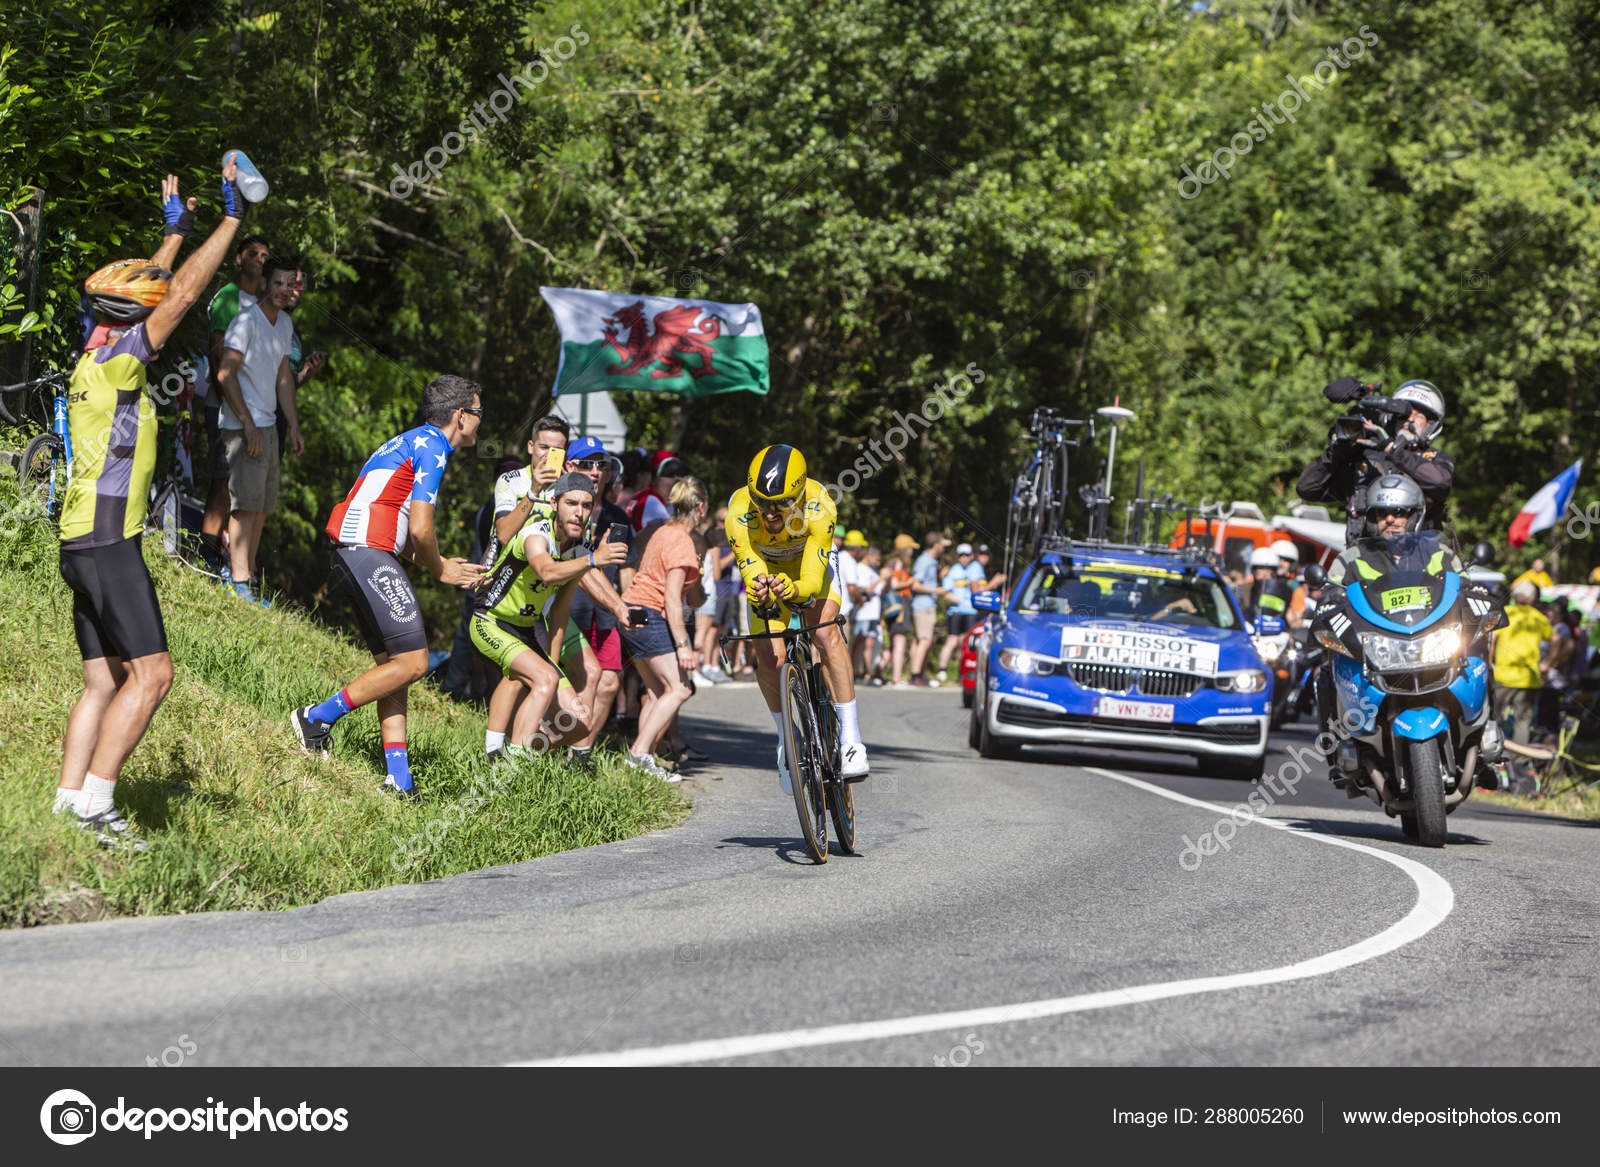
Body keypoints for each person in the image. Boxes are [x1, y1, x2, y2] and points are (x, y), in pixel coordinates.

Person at [53, 162, 249, 850]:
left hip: (79, 541)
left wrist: (171, 233)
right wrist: (228, 223)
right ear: (135, 316)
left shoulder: (92, 352)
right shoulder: (125, 360)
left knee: (104, 678)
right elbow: (185, 293)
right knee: (154, 674)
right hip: (109, 541)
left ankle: (67, 801)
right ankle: (98, 807)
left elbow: (150, 288)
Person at [289, 375, 487, 796]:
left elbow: (394, 522)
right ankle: (316, 717)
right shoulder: (433, 446)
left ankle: (399, 780)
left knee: (395, 670)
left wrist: (436, 561)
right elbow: (420, 526)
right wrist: (440, 570)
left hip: (358, 552)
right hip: (367, 553)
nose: (480, 422)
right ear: (460, 416)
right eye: (478, 413)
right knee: (414, 663)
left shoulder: (412, 440)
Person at [726, 445, 868, 788]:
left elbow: (812, 580)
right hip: (767, 567)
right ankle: (785, 740)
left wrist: (793, 590)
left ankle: (851, 738)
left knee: (823, 633)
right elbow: (752, 571)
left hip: (809, 568)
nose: (771, 513)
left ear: (800, 494)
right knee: (768, 654)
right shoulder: (738, 514)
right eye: (763, 502)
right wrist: (762, 588)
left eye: (781, 504)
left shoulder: (820, 508)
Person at [470, 472, 627, 758]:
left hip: (528, 631)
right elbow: (546, 571)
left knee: (579, 724)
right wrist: (592, 560)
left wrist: (552, 664)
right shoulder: (536, 534)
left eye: (586, 505)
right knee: (543, 680)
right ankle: (507, 767)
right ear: (554, 504)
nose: (579, 513)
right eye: (572, 503)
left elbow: (559, 611)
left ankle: (524, 752)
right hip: (491, 621)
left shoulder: (575, 551)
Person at [214, 255, 304, 604]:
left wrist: (293, 425)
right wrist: (248, 424)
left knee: (262, 507)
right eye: (278, 282)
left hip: (269, 425)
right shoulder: (245, 320)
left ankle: (246, 578)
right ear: (266, 283)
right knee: (244, 504)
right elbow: (225, 373)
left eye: (290, 283)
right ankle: (236, 581)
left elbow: (284, 378)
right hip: (242, 425)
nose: (284, 290)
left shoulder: (284, 324)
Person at [562, 437, 647, 761]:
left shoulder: (618, 516)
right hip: (568, 610)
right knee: (571, 685)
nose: (595, 471)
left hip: (607, 613)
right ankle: (544, 748)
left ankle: (579, 754)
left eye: (602, 464)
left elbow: (626, 569)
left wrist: (630, 606)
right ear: (570, 466)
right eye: (587, 464)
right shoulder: (563, 510)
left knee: (609, 685)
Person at [620, 477, 709, 779]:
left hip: (632, 612)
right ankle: (639, 754)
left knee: (659, 692)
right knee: (680, 688)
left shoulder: (662, 532)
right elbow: (672, 599)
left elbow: (693, 599)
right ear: (701, 507)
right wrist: (684, 645)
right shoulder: (682, 541)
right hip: (648, 614)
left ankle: (643, 765)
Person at [1297, 377, 1455, 543]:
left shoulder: (1434, 460)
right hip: (1364, 561)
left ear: (1431, 425)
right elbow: (1307, 488)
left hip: (1419, 560)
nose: (1410, 418)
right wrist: (1338, 452)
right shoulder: (1366, 461)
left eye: (1419, 415)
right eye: (1405, 414)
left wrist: (1391, 448)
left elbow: (1439, 482)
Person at [200, 233, 271, 578]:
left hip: (254, 409)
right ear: (239, 259)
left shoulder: (263, 303)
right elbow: (217, 356)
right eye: (253, 253)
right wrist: (227, 402)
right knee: (221, 477)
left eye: (264, 255)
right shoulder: (227, 299)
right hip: (225, 402)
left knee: (242, 485)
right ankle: (207, 554)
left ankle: (237, 563)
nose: (259, 259)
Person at [1493, 581, 1553, 746]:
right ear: (1532, 598)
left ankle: (1496, 756)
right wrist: (1548, 664)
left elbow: (1491, 639)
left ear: (1514, 596)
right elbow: (1557, 639)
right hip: (1529, 678)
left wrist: (1489, 662)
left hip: (1503, 676)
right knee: (1523, 722)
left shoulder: (1505, 613)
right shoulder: (1539, 618)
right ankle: (1520, 764)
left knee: (1495, 718)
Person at [936, 542, 987, 682]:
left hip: (971, 611)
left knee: (965, 643)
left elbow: (980, 588)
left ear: (971, 556)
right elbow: (945, 592)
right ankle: (942, 670)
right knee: (952, 640)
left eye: (966, 555)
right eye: (961, 555)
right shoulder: (954, 570)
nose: (964, 558)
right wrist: (956, 600)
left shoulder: (976, 568)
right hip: (956, 611)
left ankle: (962, 672)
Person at [908, 531, 953, 686]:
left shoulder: (931, 561)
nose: (943, 548)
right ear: (936, 545)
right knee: (925, 641)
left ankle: (917, 673)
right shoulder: (925, 561)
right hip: (923, 606)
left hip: (926, 605)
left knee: (920, 640)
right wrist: (936, 591)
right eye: (942, 545)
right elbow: (915, 584)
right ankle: (915, 676)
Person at [882, 545, 916, 687]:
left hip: (896, 606)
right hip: (900, 605)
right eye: (910, 548)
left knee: (894, 643)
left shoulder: (892, 562)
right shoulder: (897, 563)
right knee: (900, 641)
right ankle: (897, 678)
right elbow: (894, 584)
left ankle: (875, 672)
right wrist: (909, 582)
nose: (912, 551)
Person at [628, 449, 685, 531]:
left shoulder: (663, 501)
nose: (676, 480)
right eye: (670, 473)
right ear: (657, 478)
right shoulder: (652, 502)